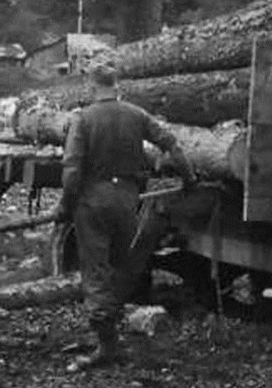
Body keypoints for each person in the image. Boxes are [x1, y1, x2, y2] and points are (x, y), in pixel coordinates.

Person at [58, 63, 194, 372]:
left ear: (92, 87)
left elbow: (72, 169)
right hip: (127, 200)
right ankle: (109, 335)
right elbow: (172, 144)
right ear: (116, 86)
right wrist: (189, 178)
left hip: (93, 200)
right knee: (121, 265)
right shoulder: (136, 115)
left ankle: (105, 346)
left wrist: (66, 205)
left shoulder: (82, 118)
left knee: (95, 268)